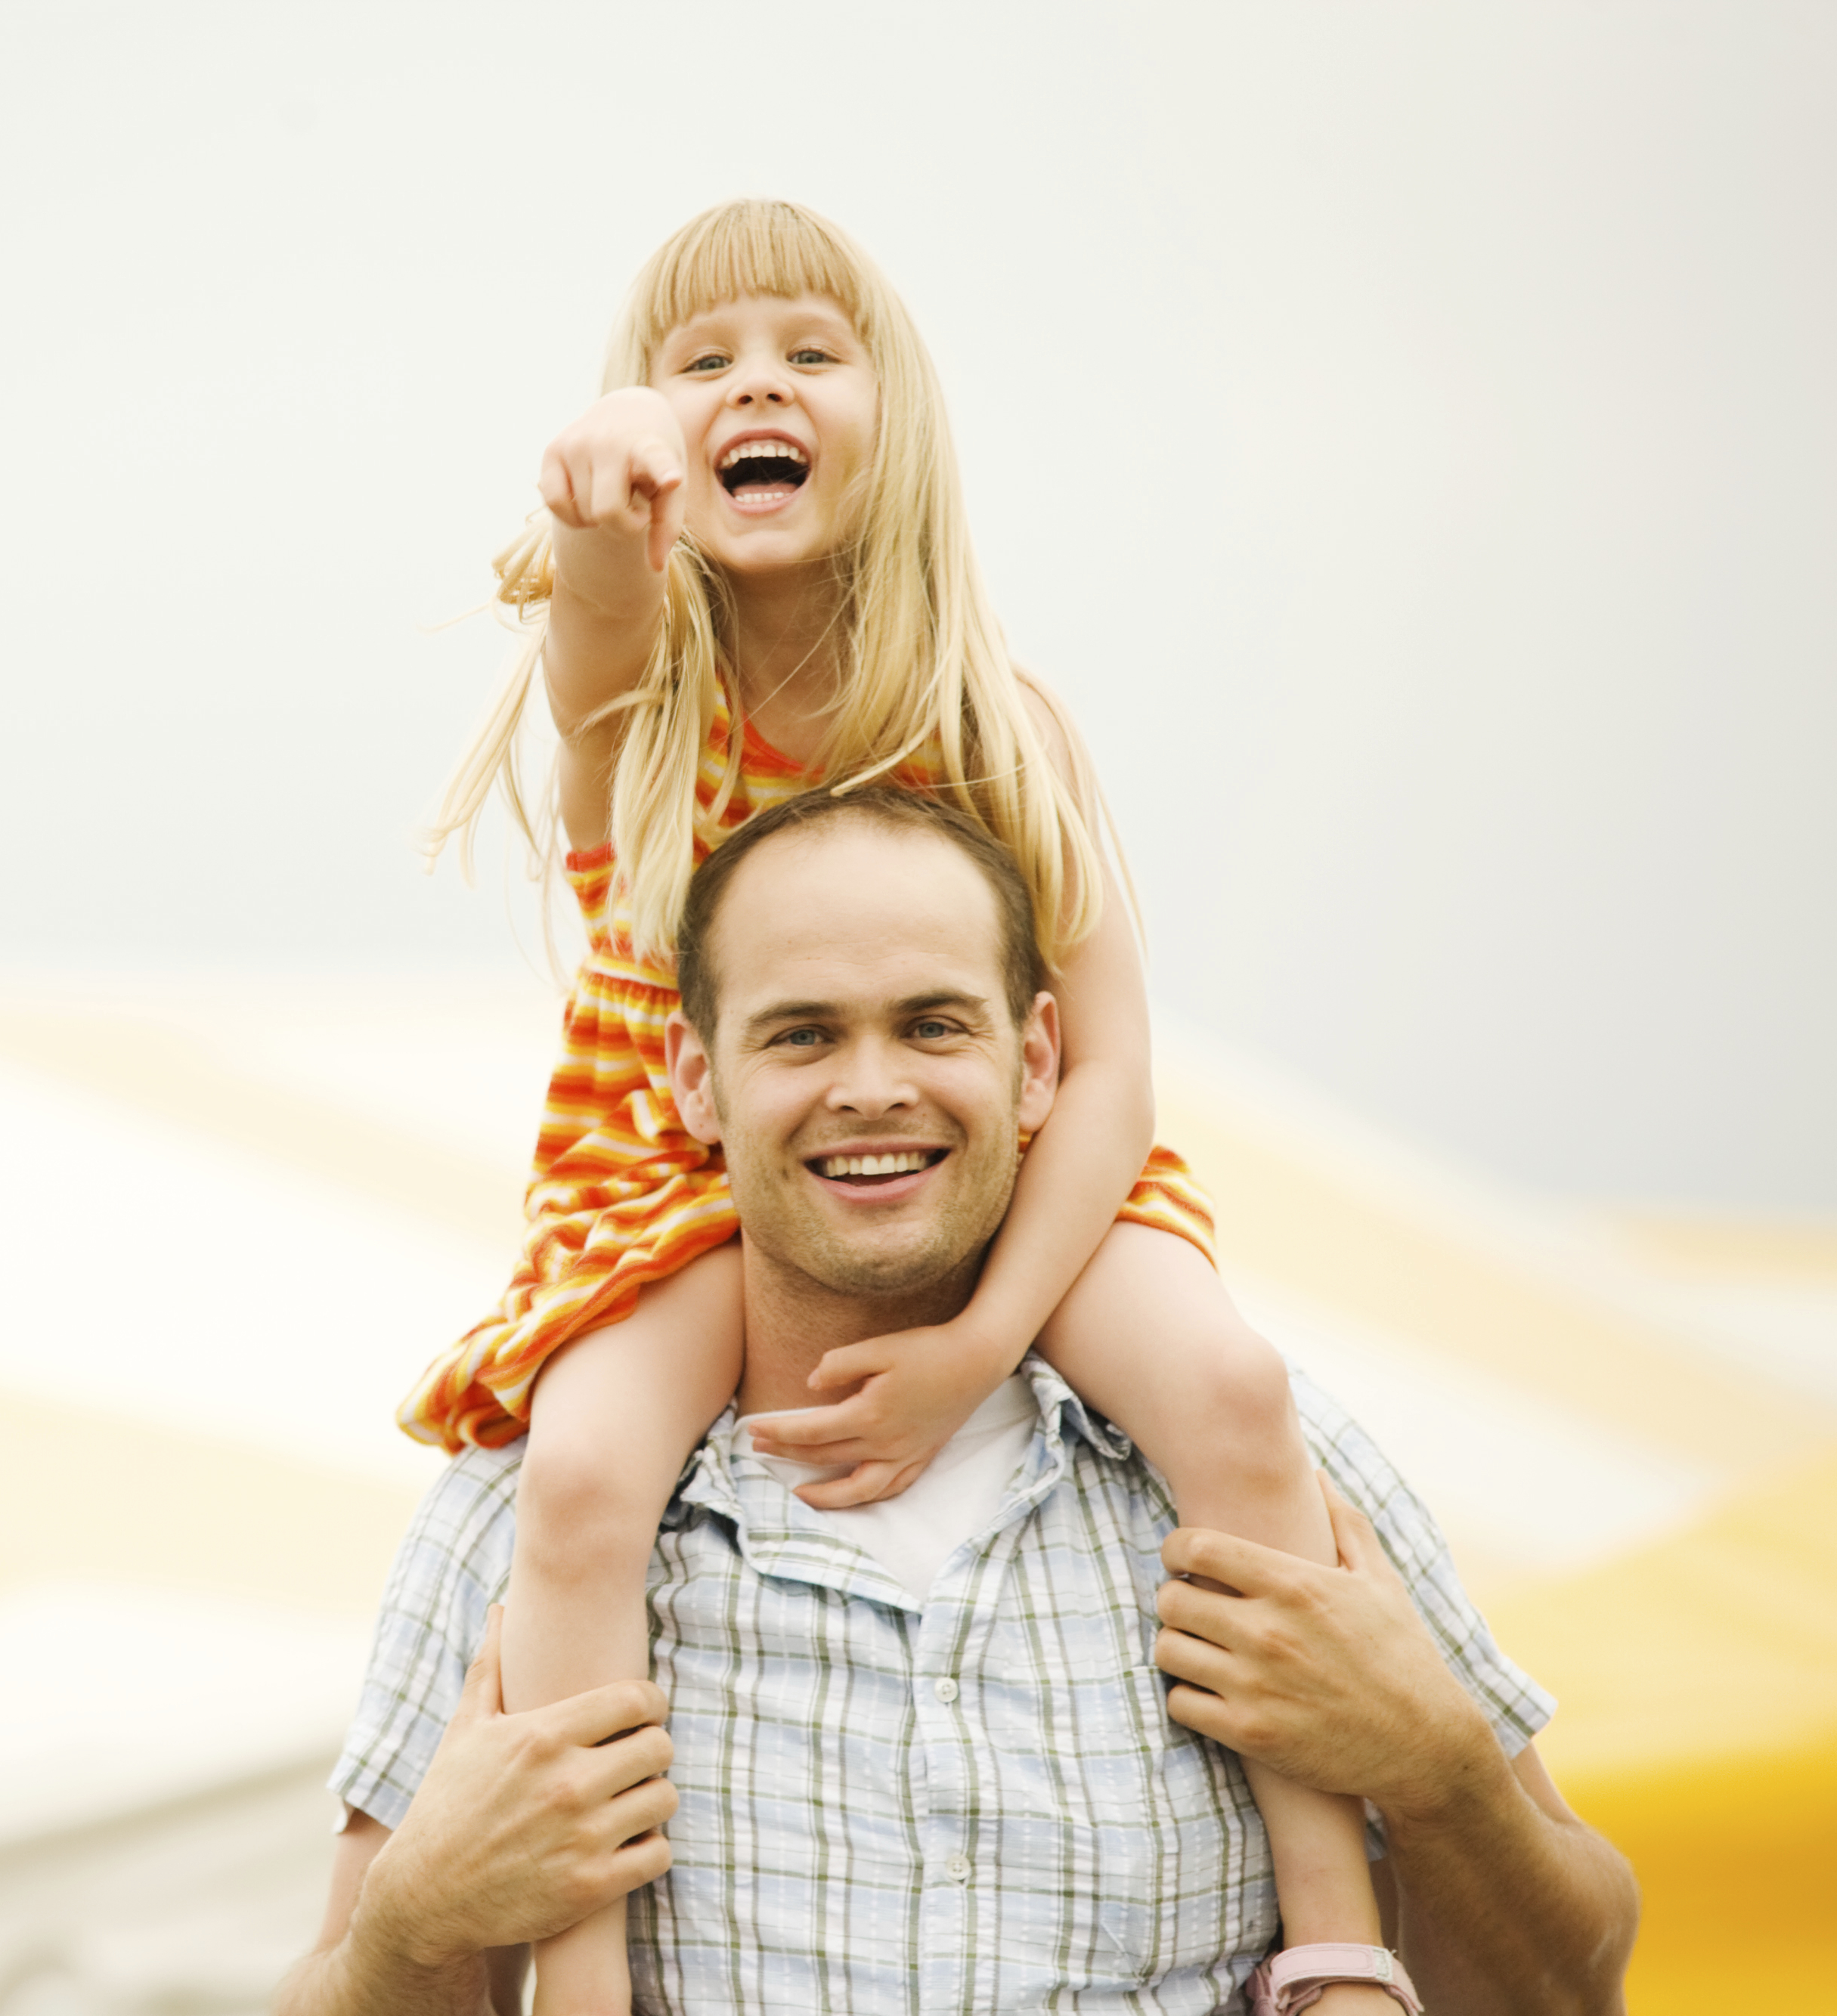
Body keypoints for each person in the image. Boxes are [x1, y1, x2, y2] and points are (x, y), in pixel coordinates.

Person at [401, 197, 1391, 2014]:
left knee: (1236, 1389)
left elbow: (1104, 1073)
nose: (748, 386)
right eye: (697, 364)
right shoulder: (652, 700)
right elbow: (597, 621)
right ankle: (581, 1974)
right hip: (681, 1176)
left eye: (802, 352)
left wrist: (985, 1336)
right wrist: (588, 507)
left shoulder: (992, 715)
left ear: (892, 415)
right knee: (584, 1474)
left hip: (1010, 1170)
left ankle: (1334, 1945)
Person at [288, 788, 1637, 2013]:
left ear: (1039, 1057)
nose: (871, 1089)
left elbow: (1574, 1995)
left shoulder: (1267, 1459)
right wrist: (412, 1930)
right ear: (698, 1080)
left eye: (932, 1024)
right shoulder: (523, 1512)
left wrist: (1449, 1778)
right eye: (802, 1034)